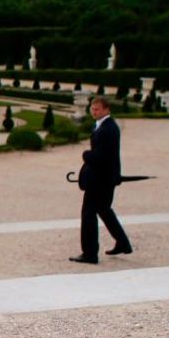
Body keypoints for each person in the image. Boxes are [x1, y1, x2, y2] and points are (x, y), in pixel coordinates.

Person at [70, 96, 132, 264]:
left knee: (88, 213)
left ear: (107, 110)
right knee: (104, 210)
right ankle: (123, 243)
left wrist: (86, 155)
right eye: (92, 108)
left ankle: (90, 253)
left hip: (100, 180)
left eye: (97, 109)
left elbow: (100, 156)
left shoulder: (107, 129)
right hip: (105, 178)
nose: (93, 112)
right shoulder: (105, 126)